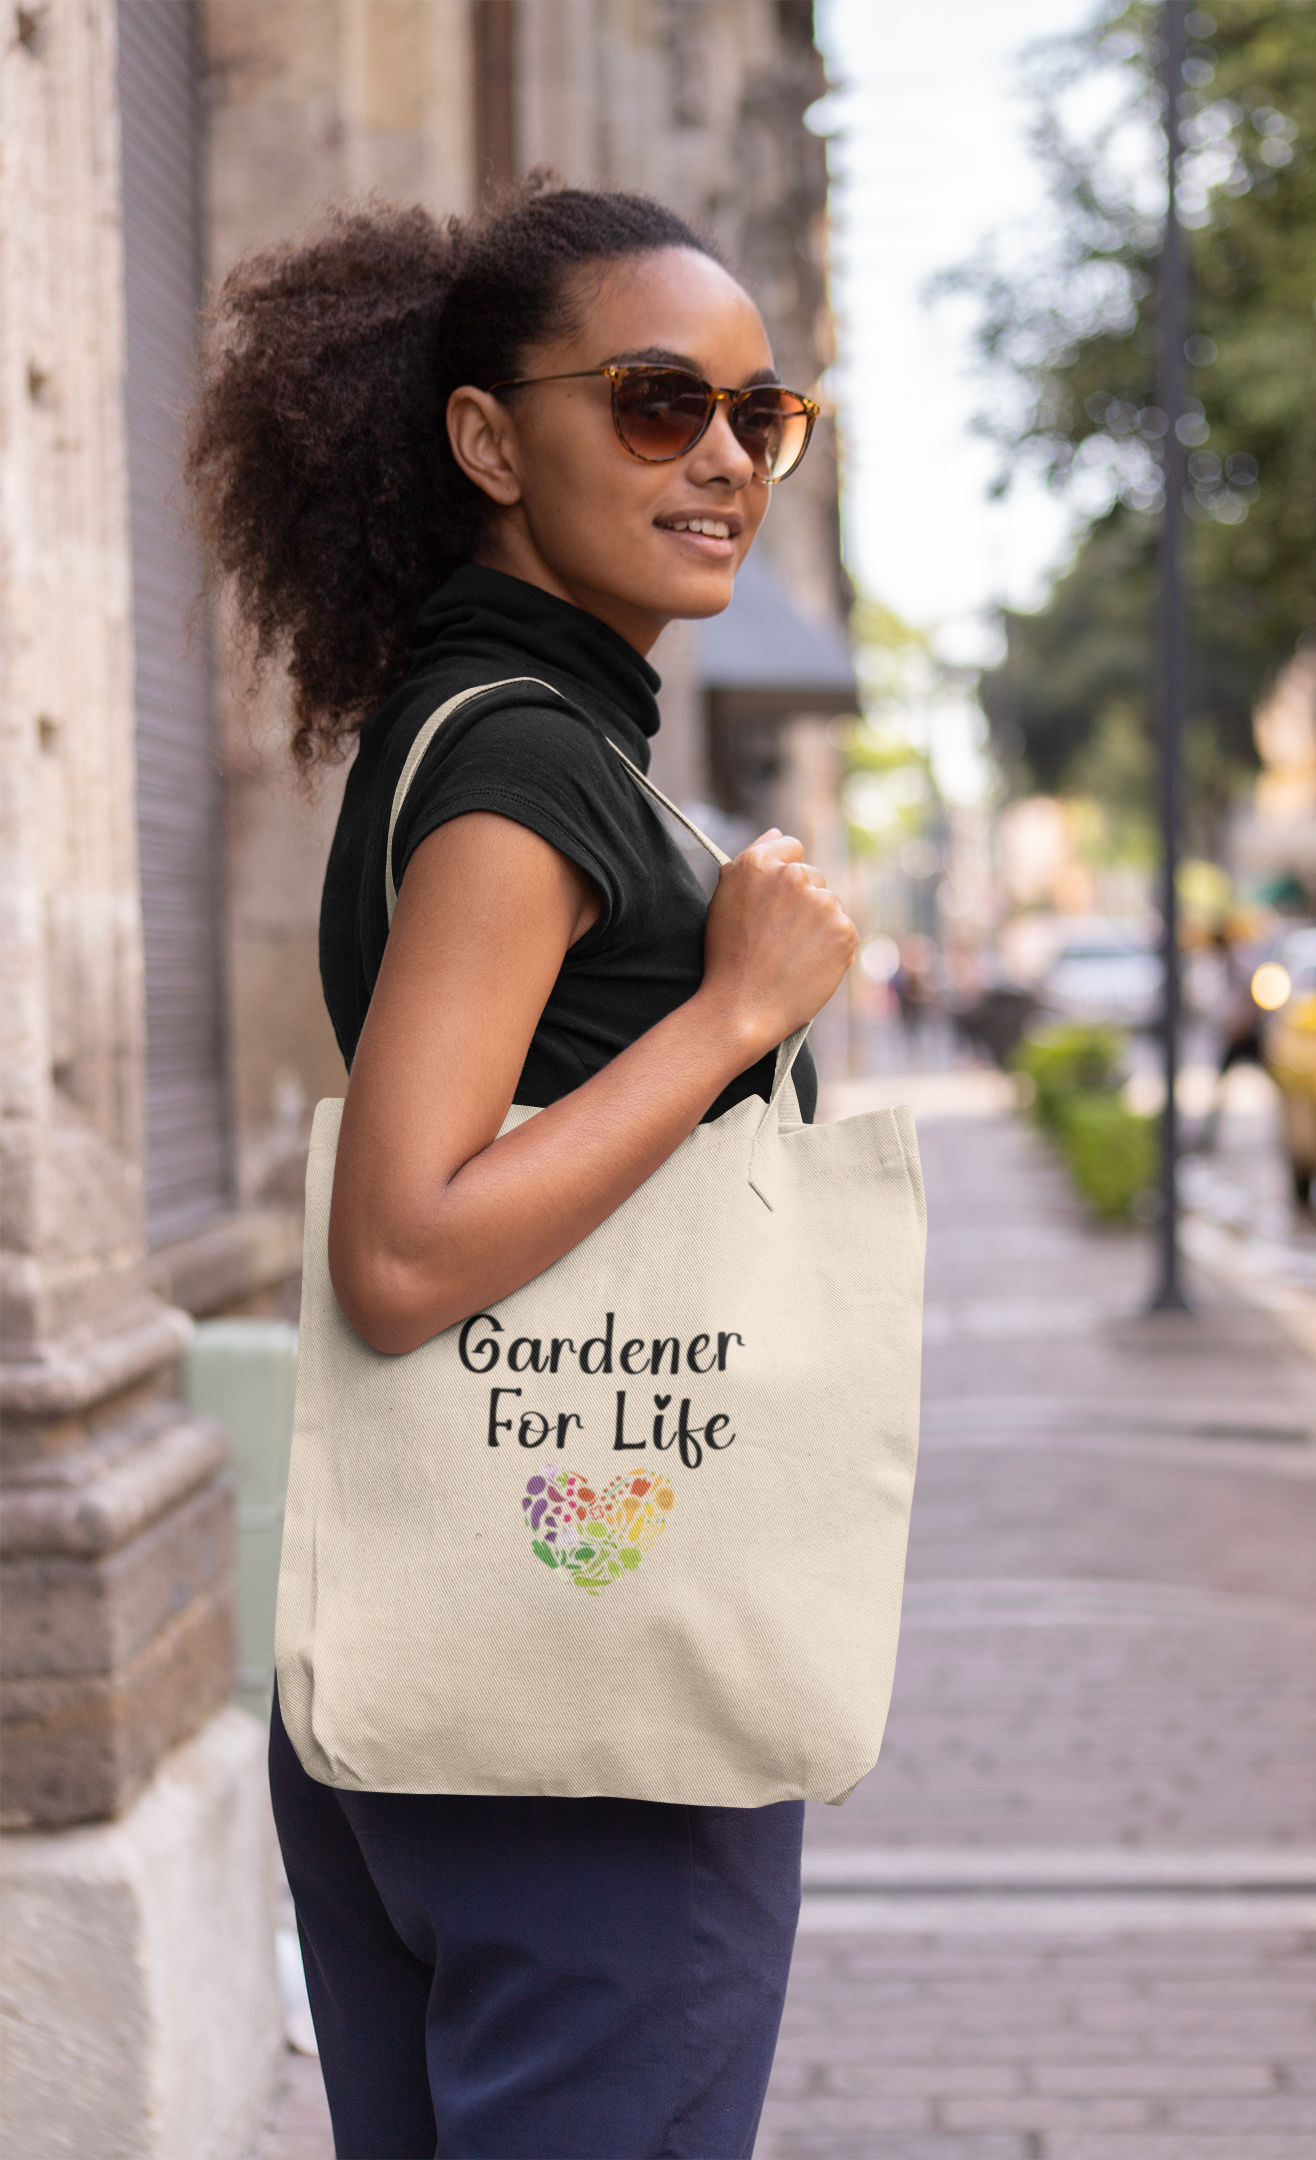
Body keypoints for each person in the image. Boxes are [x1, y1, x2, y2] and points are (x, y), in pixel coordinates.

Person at [187, 180, 857, 2160]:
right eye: (659, 404)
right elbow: (402, 1246)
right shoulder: (523, 766)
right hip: (592, 1703)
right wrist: (737, 1014)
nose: (725, 457)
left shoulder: (480, 729)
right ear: (488, 439)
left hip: (457, 1675)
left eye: (762, 414)